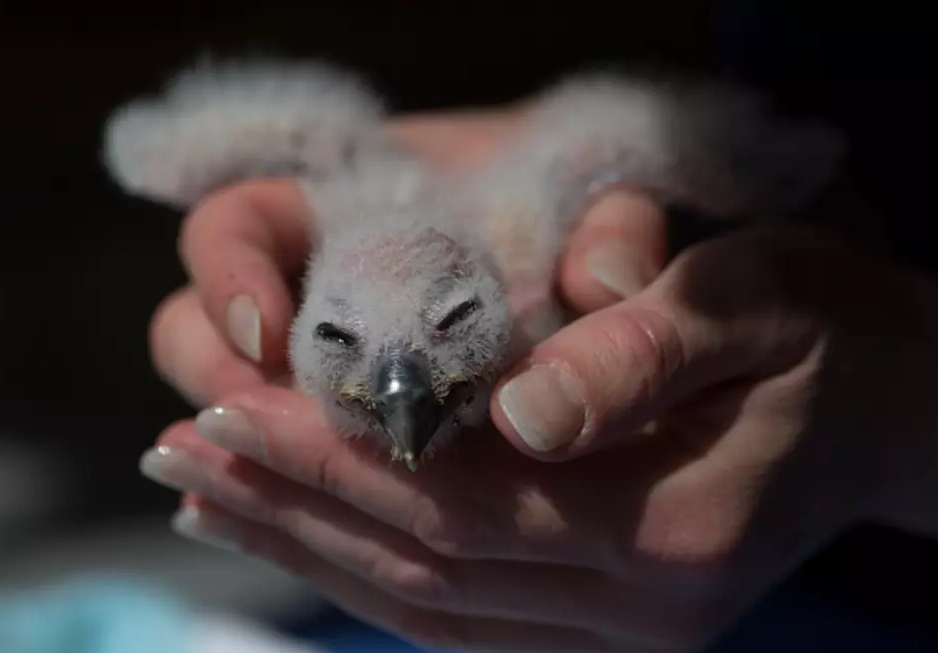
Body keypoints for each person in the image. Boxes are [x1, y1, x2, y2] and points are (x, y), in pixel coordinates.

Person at [137, 7, 938, 652]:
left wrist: (903, 411)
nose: (402, 391)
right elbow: (812, 138)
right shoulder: (443, 199)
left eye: (456, 321)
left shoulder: (535, 243)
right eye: (338, 341)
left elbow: (794, 154)